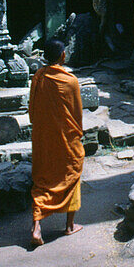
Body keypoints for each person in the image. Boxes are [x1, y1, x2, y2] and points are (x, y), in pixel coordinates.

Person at [29, 39, 85, 247]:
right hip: (66, 139)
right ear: (62, 56)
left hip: (43, 139)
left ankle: (36, 226)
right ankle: (69, 225)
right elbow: (77, 114)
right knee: (71, 174)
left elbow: (32, 111)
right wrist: (77, 133)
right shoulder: (70, 81)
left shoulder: (38, 77)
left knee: (43, 180)